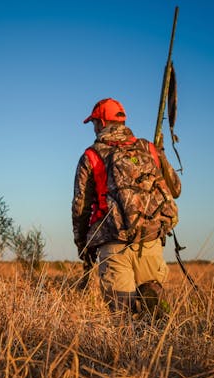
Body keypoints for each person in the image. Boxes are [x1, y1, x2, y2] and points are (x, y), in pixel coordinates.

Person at [72, 98, 181, 316]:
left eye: (94, 122)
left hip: (113, 245)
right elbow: (175, 189)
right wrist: (160, 153)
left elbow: (81, 207)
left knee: (123, 320)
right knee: (156, 314)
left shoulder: (91, 155)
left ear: (102, 123)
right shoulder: (148, 148)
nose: (94, 128)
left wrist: (83, 246)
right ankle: (161, 332)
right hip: (150, 241)